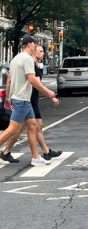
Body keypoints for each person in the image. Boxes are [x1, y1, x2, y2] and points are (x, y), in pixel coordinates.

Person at [0, 37, 59, 166]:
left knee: (33, 126)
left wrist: (8, 97)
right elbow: (32, 80)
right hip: (22, 99)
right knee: (13, 129)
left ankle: (36, 158)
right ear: (30, 44)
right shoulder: (27, 59)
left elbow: (9, 79)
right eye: (34, 44)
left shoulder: (16, 58)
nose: (34, 47)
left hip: (21, 98)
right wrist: (48, 93)